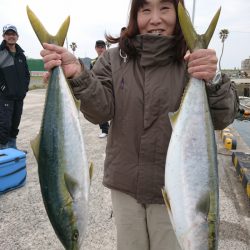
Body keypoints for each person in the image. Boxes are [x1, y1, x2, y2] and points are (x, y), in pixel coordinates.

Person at [40, 0, 238, 249]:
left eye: (165, 8)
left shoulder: (193, 63)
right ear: (135, 16)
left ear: (179, 14)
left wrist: (214, 79)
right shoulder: (114, 59)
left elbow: (222, 118)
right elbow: (100, 111)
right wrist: (78, 74)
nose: (155, 18)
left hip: (179, 191)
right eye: (145, 10)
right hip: (125, 187)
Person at [0, 24, 30, 149]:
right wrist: (3, 89)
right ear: (4, 36)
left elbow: (26, 74)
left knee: (14, 124)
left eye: (13, 34)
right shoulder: (1, 53)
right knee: (4, 125)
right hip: (5, 98)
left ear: (17, 36)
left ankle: (13, 148)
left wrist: (24, 90)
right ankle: (3, 150)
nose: (11, 36)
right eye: (8, 34)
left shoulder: (21, 55)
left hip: (19, 97)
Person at [90, 40, 110, 138]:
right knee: (100, 109)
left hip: (111, 87)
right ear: (95, 48)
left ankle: (116, 129)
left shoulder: (111, 59)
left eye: (102, 47)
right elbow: (91, 76)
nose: (100, 49)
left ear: (105, 48)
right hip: (98, 89)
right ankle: (105, 130)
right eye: (98, 47)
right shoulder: (92, 62)